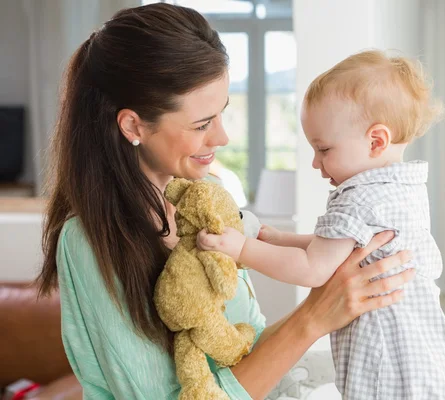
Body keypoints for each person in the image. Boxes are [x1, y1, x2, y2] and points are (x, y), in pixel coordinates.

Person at [35, 4, 415, 399]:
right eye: (201, 124)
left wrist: (331, 310)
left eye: (221, 115)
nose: (221, 139)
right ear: (133, 126)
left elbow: (240, 353)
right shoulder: (90, 241)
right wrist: (313, 318)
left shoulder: (207, 205)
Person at [198, 50, 445, 399]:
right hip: (426, 352)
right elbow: (340, 246)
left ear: (376, 141)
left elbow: (314, 270)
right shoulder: (403, 189)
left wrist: (243, 249)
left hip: (387, 360)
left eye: (324, 149)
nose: (315, 162)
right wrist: (282, 239)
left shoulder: (357, 197)